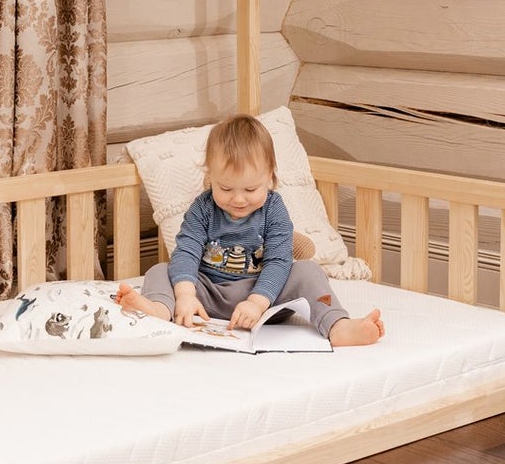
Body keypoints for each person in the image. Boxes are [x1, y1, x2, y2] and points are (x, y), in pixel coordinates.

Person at [118, 114, 385, 346]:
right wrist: (186, 295)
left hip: (266, 300)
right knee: (161, 270)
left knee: (309, 271)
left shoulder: (274, 209)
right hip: (208, 296)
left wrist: (257, 302)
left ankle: (337, 325)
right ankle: (160, 311)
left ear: (270, 177)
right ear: (210, 177)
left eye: (250, 189)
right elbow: (186, 251)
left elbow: (279, 261)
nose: (238, 199)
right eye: (225, 188)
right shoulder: (202, 208)